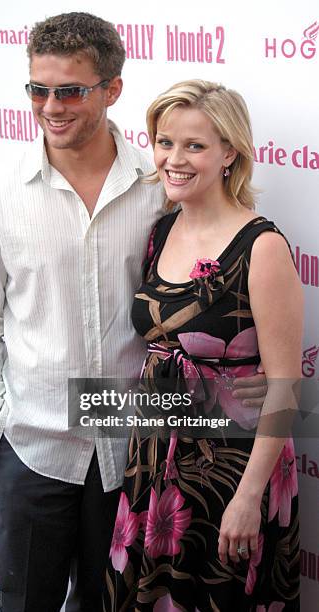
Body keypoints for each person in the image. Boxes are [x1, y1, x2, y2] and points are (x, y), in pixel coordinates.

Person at [0, 13, 268, 612]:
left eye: (70, 90)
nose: (51, 106)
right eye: (38, 89)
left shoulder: (158, 188)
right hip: (33, 449)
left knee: (111, 605)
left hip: (134, 456)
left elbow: (211, 283)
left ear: (112, 89)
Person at [104, 80, 302, 611]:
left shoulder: (261, 246)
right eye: (165, 142)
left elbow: (283, 389)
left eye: (194, 145)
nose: (174, 158)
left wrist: (248, 497)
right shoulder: (161, 230)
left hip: (230, 470)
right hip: (154, 460)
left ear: (229, 153)